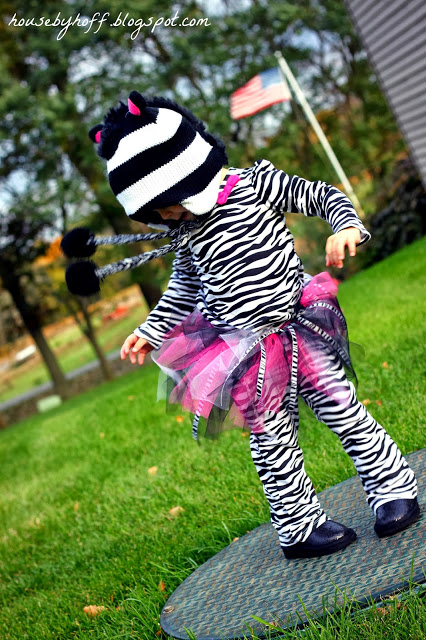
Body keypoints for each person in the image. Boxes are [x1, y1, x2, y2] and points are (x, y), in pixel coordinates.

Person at [68, 90, 419, 559]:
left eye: (167, 205)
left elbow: (322, 196)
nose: (166, 217)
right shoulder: (185, 232)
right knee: (272, 441)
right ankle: (299, 528)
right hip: (245, 351)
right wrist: (150, 330)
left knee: (342, 408)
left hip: (298, 327)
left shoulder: (256, 185)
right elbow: (184, 289)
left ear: (189, 173)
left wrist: (347, 227)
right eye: (154, 214)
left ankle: (392, 489)